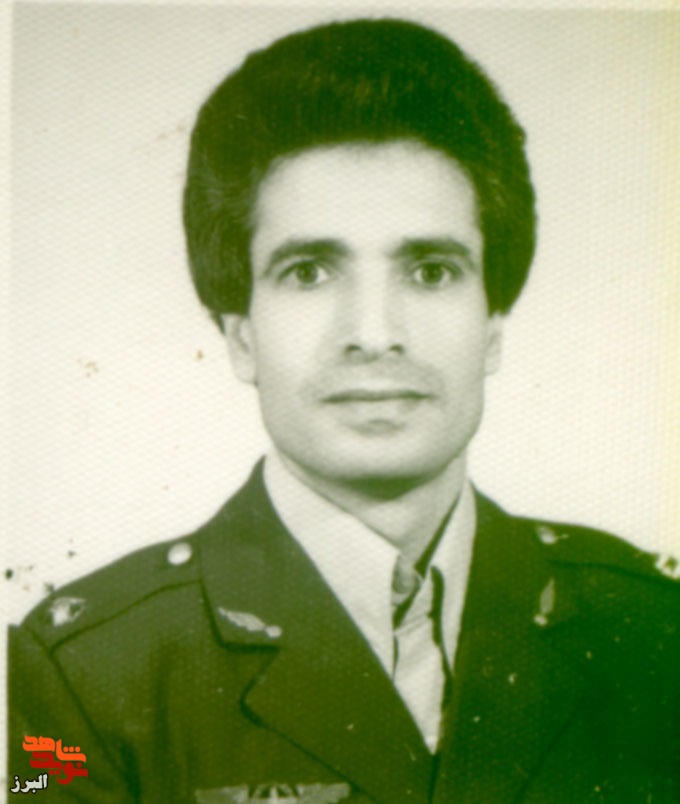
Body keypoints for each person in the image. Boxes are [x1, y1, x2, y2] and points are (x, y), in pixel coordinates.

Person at [9, 17, 680, 804]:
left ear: (492, 324)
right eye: (309, 272)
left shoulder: (650, 633)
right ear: (241, 334)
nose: (374, 333)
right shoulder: (84, 677)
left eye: (430, 271)